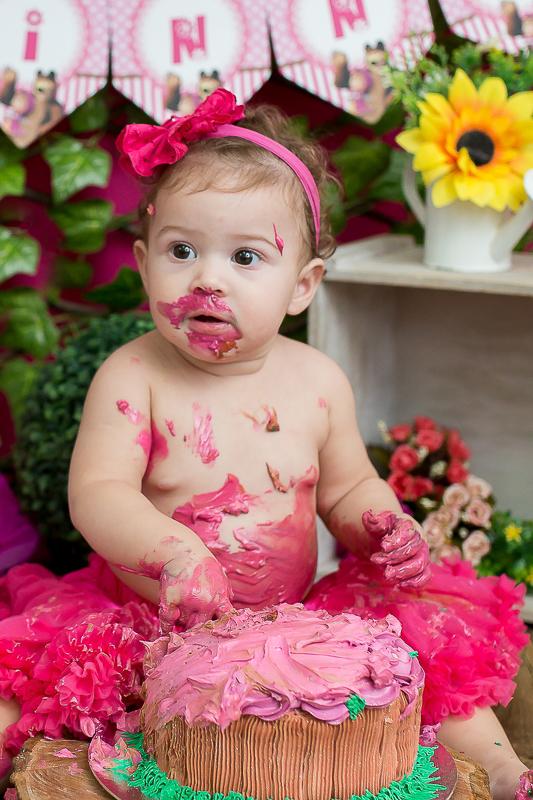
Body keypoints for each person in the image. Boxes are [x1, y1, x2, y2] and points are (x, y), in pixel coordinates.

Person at [0, 89, 530, 799]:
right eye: (181, 250)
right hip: (147, 618)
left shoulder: (315, 382)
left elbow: (344, 487)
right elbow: (97, 494)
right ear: (142, 260)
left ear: (302, 286)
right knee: (43, 682)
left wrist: (379, 523)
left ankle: (499, 768)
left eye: (246, 257)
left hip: (299, 621)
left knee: (426, 653)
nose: (207, 278)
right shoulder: (133, 376)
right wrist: (176, 554)